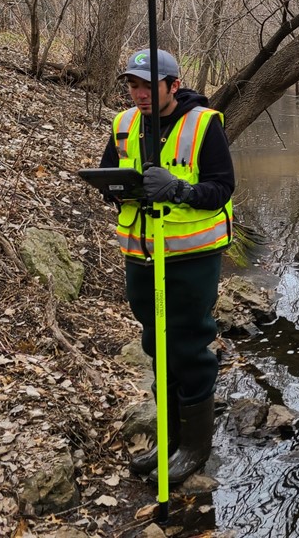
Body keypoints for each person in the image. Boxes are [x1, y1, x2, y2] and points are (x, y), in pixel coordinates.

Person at [99, 48, 235, 484]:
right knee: (156, 343)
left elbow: (221, 189)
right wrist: (120, 191)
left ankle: (195, 446)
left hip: (191, 256)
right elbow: (107, 175)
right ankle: (170, 436)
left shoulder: (203, 125)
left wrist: (177, 190)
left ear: (173, 86)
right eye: (132, 85)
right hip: (140, 252)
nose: (137, 93)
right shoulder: (124, 125)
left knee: (188, 345)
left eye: (146, 85)